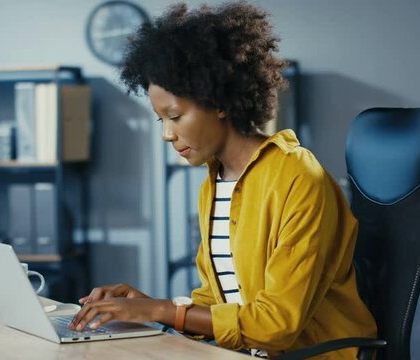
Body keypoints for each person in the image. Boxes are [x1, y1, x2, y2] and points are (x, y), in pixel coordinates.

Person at [70, 1, 376, 357]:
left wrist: (164, 311)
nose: (167, 135)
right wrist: (150, 307)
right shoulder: (215, 183)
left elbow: (277, 324)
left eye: (175, 115)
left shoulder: (298, 178)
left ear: (219, 102)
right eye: (160, 120)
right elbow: (217, 300)